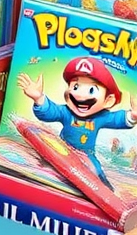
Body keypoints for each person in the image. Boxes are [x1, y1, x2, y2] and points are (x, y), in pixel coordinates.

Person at [17, 55, 137, 184]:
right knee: (48, 164)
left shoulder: (100, 117)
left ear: (108, 101)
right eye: (75, 87)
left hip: (86, 154)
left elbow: (117, 119)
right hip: (62, 148)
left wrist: (133, 115)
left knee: (96, 172)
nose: (79, 95)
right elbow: (50, 112)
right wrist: (39, 99)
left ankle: (106, 188)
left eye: (91, 90)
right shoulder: (66, 112)